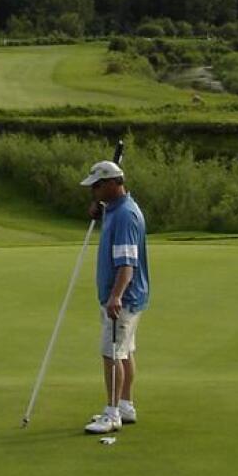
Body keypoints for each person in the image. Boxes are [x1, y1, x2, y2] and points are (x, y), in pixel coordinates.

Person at [79, 159, 148, 434]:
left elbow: (127, 265)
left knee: (111, 353)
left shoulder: (124, 216)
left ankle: (112, 414)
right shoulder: (116, 209)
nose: (93, 192)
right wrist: (100, 210)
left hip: (123, 298)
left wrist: (115, 296)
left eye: (96, 186)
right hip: (129, 296)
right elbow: (104, 207)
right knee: (124, 351)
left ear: (111, 184)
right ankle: (125, 404)